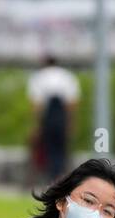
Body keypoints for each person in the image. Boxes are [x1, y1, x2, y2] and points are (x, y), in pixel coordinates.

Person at [27, 54, 80, 185]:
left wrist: (37, 125)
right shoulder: (67, 77)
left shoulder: (39, 77)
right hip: (62, 115)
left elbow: (37, 105)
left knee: (49, 148)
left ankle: (52, 178)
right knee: (61, 149)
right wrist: (70, 122)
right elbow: (72, 104)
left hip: (48, 115)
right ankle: (60, 177)